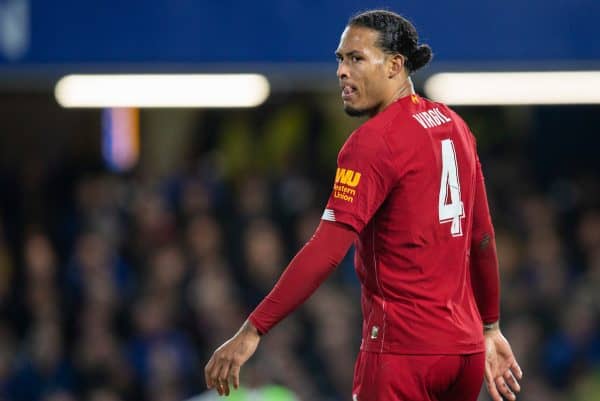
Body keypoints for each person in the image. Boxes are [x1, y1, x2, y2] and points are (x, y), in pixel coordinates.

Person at [205, 9, 522, 401]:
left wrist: (253, 330)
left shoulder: (372, 143)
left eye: (356, 58)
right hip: (465, 353)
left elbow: (325, 251)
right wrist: (490, 326)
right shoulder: (454, 126)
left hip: (402, 354)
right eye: (340, 59)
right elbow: (483, 239)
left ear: (394, 65)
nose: (342, 71)